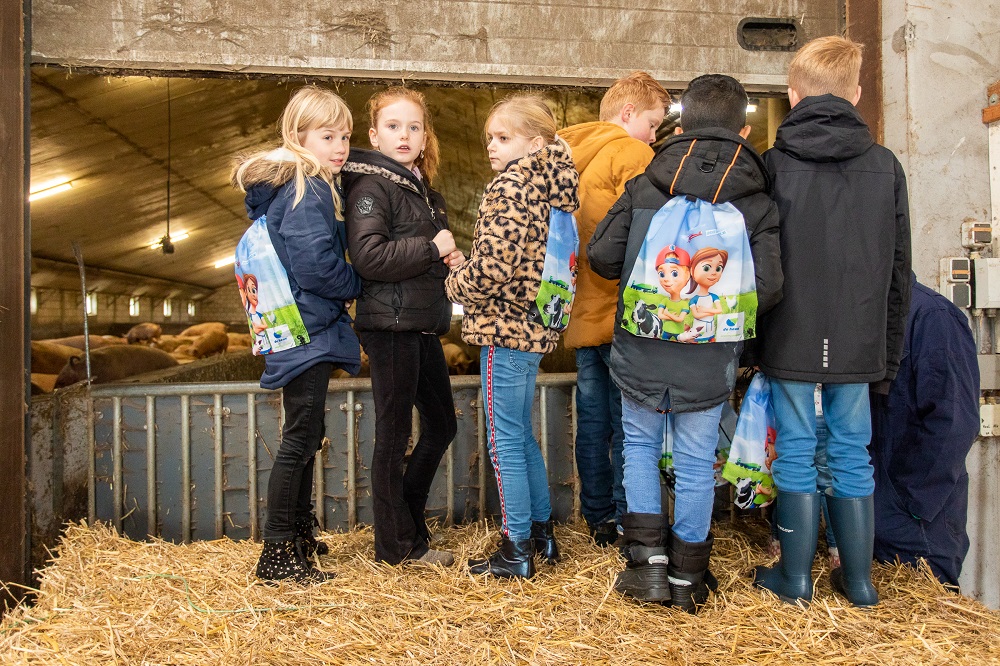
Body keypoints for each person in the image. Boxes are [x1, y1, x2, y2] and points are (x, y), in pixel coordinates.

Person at [589, 74, 783, 612]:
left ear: (682, 122)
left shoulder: (647, 182)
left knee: (641, 448)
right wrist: (708, 311)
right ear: (743, 129)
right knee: (698, 462)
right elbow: (769, 288)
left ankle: (646, 568)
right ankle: (688, 578)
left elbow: (602, 257)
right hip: (709, 354)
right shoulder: (756, 200)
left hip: (640, 350)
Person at [753, 36, 912, 608]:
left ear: (793, 95)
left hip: (791, 332)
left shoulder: (771, 165)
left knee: (795, 447)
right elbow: (899, 271)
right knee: (851, 449)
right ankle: (860, 582)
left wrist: (753, 344)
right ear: (857, 93)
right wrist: (888, 353)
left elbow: (760, 262)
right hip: (858, 335)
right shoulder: (884, 166)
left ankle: (794, 580)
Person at [446, 94, 580, 579]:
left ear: (536, 142)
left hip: (503, 326)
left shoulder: (511, 187)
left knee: (504, 441)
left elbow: (494, 268)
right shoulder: (553, 189)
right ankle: (542, 535)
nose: (492, 148)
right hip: (536, 325)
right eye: (490, 139)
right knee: (521, 434)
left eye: (503, 138)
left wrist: (455, 282)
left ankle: (515, 547)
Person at [232, 86, 362, 584]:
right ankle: (278, 553)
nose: (339, 146)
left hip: (301, 325)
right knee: (299, 438)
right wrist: (357, 286)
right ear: (298, 136)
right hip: (308, 327)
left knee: (306, 435)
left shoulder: (299, 187)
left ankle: (299, 535)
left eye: (344, 136)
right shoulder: (307, 189)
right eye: (327, 135)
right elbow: (315, 266)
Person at [343, 87, 463, 567]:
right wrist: (433, 249)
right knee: (393, 438)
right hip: (389, 326)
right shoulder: (372, 189)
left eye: (414, 127)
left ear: (425, 134)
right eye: (393, 126)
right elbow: (369, 257)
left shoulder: (423, 191)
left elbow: (418, 253)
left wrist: (447, 259)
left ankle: (409, 527)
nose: (404, 135)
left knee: (442, 425)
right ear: (374, 134)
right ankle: (397, 548)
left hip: (418, 324)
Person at [559, 72, 671, 547]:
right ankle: (630, 518)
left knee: (593, 423)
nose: (653, 134)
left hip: (581, 312)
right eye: (651, 122)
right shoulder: (630, 153)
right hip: (622, 315)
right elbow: (650, 232)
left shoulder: (569, 154)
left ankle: (597, 518)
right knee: (632, 427)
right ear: (627, 115)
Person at [870, 274, 979, 588]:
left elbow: (955, 421)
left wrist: (911, 501)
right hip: (876, 512)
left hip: (918, 524)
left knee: (923, 625)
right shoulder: (866, 315)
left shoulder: (932, 316)